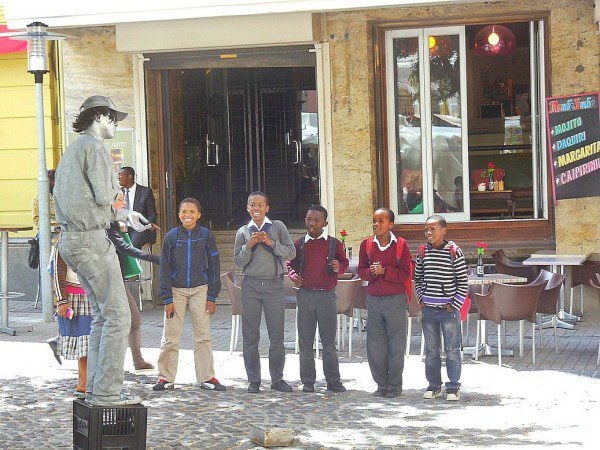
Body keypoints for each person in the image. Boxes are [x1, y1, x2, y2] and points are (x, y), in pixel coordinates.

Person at [53, 95, 150, 406]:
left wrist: (124, 215)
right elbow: (104, 193)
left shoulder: (74, 149)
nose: (116, 125)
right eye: (113, 118)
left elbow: (88, 202)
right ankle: (107, 393)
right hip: (90, 241)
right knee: (118, 317)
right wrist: (117, 198)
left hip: (75, 240)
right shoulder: (95, 148)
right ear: (98, 117)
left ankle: (95, 391)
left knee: (103, 318)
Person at [153, 198, 225, 392]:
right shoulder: (171, 237)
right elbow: (165, 268)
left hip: (200, 289)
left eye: (192, 212)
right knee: (170, 336)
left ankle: (207, 377)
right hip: (176, 291)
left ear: (199, 215)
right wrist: (166, 297)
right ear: (179, 214)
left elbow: (214, 264)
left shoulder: (206, 236)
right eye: (184, 212)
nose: (188, 215)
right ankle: (165, 377)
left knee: (203, 335)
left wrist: (212, 295)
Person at [234, 191, 296, 393]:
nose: (256, 208)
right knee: (250, 335)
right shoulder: (243, 231)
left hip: (273, 285)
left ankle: (277, 379)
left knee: (276, 335)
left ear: (267, 208)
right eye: (252, 205)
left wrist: (271, 243)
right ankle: (254, 380)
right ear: (248, 208)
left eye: (260, 205)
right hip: (251, 285)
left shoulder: (277, 227)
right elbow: (238, 262)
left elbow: (291, 252)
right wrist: (249, 246)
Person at [286, 205, 348, 393]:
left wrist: (339, 266)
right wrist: (293, 275)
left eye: (316, 220)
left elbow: (344, 263)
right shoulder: (299, 245)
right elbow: (290, 265)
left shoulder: (334, 244)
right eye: (308, 219)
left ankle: (333, 381)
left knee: (328, 341)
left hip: (326, 296)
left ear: (325, 223)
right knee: (305, 341)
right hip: (305, 295)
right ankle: (308, 381)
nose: (311, 223)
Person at [358, 207, 412, 398]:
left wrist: (385, 271)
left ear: (391, 224)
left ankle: (394, 385)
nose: (377, 225)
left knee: (396, 344)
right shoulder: (366, 245)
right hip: (373, 299)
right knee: (375, 344)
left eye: (381, 221)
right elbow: (361, 271)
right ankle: (381, 384)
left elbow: (406, 273)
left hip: (395, 299)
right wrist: (371, 273)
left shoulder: (401, 245)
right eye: (374, 220)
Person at [414, 215, 468, 401]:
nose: (429, 233)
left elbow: (463, 282)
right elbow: (418, 278)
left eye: (433, 229)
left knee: (452, 350)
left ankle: (453, 387)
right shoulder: (422, 252)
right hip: (428, 309)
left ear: (444, 230)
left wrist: (454, 305)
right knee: (431, 350)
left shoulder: (454, 251)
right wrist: (420, 297)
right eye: (426, 230)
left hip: (448, 311)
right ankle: (434, 385)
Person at [107, 221, 159, 371]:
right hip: (109, 280)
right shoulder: (106, 225)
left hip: (117, 278)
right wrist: (157, 259)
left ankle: (137, 362)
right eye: (120, 199)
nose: (124, 202)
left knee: (132, 321)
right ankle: (111, 366)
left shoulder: (114, 223)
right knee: (118, 323)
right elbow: (125, 248)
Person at [51, 238, 92, 393]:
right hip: (73, 296)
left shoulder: (94, 234)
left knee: (91, 341)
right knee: (83, 342)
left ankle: (87, 381)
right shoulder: (63, 240)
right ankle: (84, 382)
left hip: (93, 294)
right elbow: (57, 270)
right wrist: (61, 300)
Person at [32, 169, 62, 364]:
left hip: (63, 230)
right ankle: (53, 300)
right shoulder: (39, 197)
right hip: (49, 231)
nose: (52, 183)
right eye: (50, 180)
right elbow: (37, 219)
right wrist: (52, 226)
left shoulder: (62, 193)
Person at [118, 166, 158, 249]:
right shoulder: (118, 193)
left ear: (129, 176)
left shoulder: (145, 192)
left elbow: (152, 215)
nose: (118, 177)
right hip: (123, 228)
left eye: (120, 175)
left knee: (130, 247)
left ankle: (130, 261)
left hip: (140, 228)